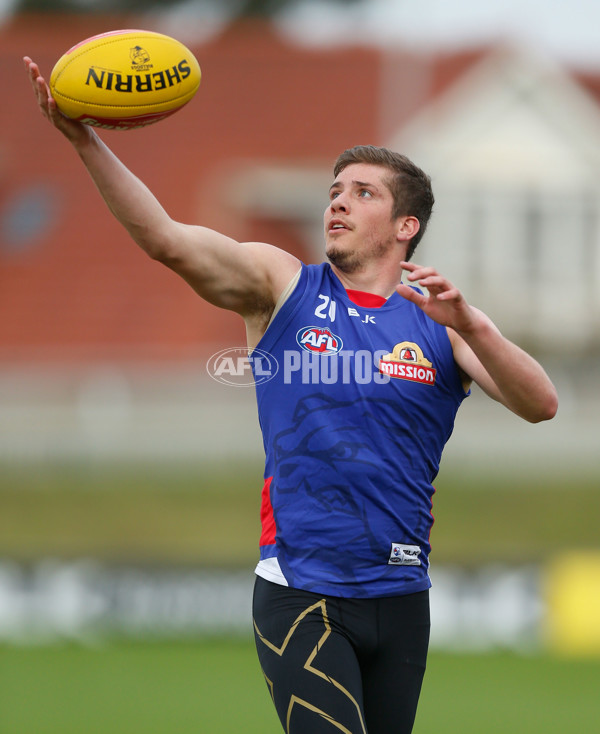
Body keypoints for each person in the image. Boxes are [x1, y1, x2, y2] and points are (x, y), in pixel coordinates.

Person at [24, 56, 558, 734]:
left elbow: (541, 404)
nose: (337, 199)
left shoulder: (442, 324)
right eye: (335, 188)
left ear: (406, 227)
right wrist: (83, 140)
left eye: (363, 192)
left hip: (401, 599)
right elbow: (164, 239)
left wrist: (475, 324)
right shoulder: (284, 287)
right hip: (302, 591)